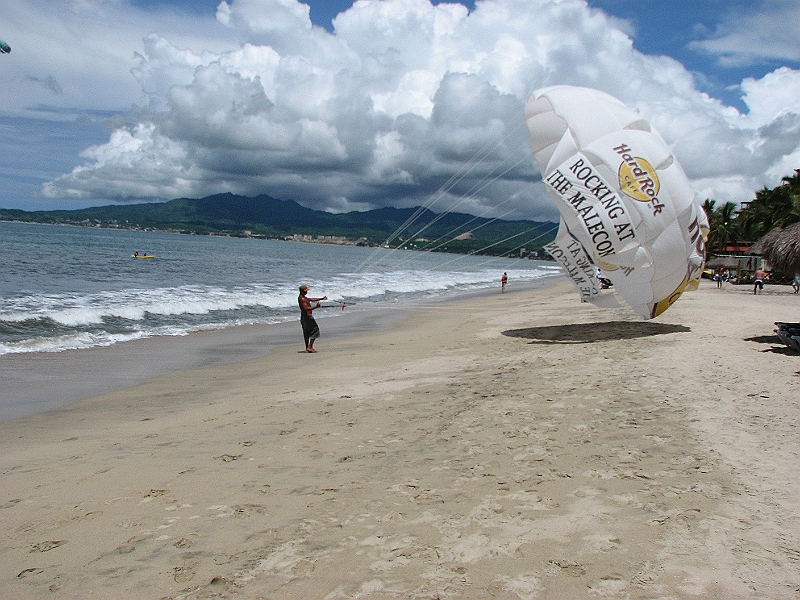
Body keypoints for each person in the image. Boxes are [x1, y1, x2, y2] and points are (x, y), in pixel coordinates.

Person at [298, 284, 327, 353]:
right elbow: (306, 308)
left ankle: (307, 348)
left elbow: (311, 299)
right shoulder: (302, 298)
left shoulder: (303, 297)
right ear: (302, 291)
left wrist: (321, 298)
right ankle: (310, 347)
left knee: (306, 331)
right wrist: (316, 307)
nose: (307, 292)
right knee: (315, 330)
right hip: (307, 317)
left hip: (304, 317)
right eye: (305, 291)